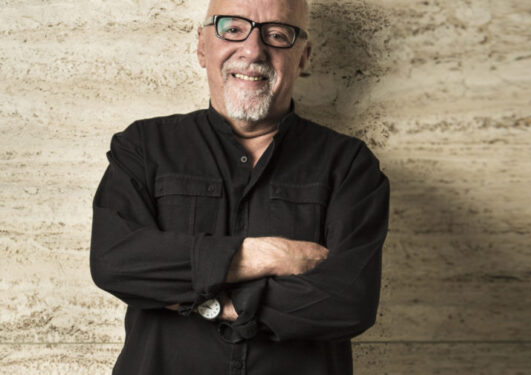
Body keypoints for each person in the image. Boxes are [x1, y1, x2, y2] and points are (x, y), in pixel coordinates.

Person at [89, 0, 390, 373]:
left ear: (303, 57)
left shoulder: (349, 165)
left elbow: (348, 301)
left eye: (278, 35)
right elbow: (115, 262)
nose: (252, 50)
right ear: (202, 46)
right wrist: (261, 256)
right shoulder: (143, 147)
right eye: (232, 29)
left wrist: (217, 303)